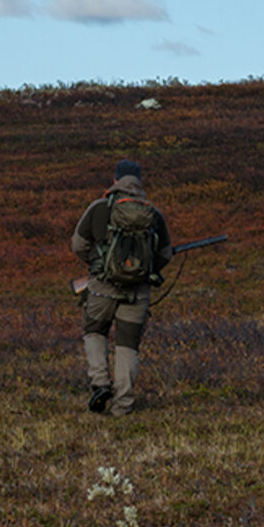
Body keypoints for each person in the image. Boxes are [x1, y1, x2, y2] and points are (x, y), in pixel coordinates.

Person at [71, 159, 171, 415]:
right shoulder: (153, 213)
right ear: (139, 181)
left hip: (101, 287)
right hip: (137, 292)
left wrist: (98, 263)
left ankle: (100, 384)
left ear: (115, 180)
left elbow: (78, 245)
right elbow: (165, 255)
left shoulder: (98, 208)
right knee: (127, 345)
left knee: (95, 331)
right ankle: (122, 405)